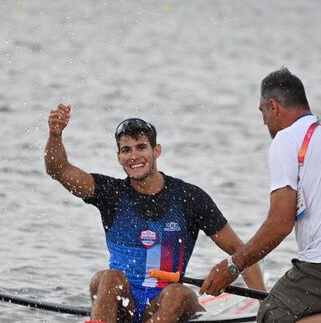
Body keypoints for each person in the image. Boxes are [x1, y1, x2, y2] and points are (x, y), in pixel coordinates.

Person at [199, 68, 321, 323]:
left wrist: (233, 266)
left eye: (262, 112)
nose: (263, 122)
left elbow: (280, 223)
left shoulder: (286, 139)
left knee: (272, 315)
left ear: (273, 106)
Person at [44, 104, 265, 323]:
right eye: (126, 150)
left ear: (156, 151)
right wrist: (55, 135)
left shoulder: (189, 198)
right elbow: (58, 170)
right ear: (119, 157)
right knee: (108, 278)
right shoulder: (110, 194)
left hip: (164, 302)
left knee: (179, 293)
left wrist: (264, 308)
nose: (134, 156)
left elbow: (242, 252)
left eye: (141, 147)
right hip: (121, 302)